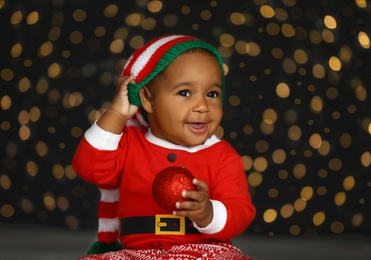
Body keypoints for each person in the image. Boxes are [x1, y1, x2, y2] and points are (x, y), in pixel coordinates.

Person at [72, 34, 256, 259]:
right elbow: (89, 168)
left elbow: (240, 210)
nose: (202, 106)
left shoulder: (222, 155)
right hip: (136, 253)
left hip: (204, 250)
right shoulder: (130, 143)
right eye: (185, 92)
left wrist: (208, 213)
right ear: (148, 100)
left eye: (212, 94)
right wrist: (116, 115)